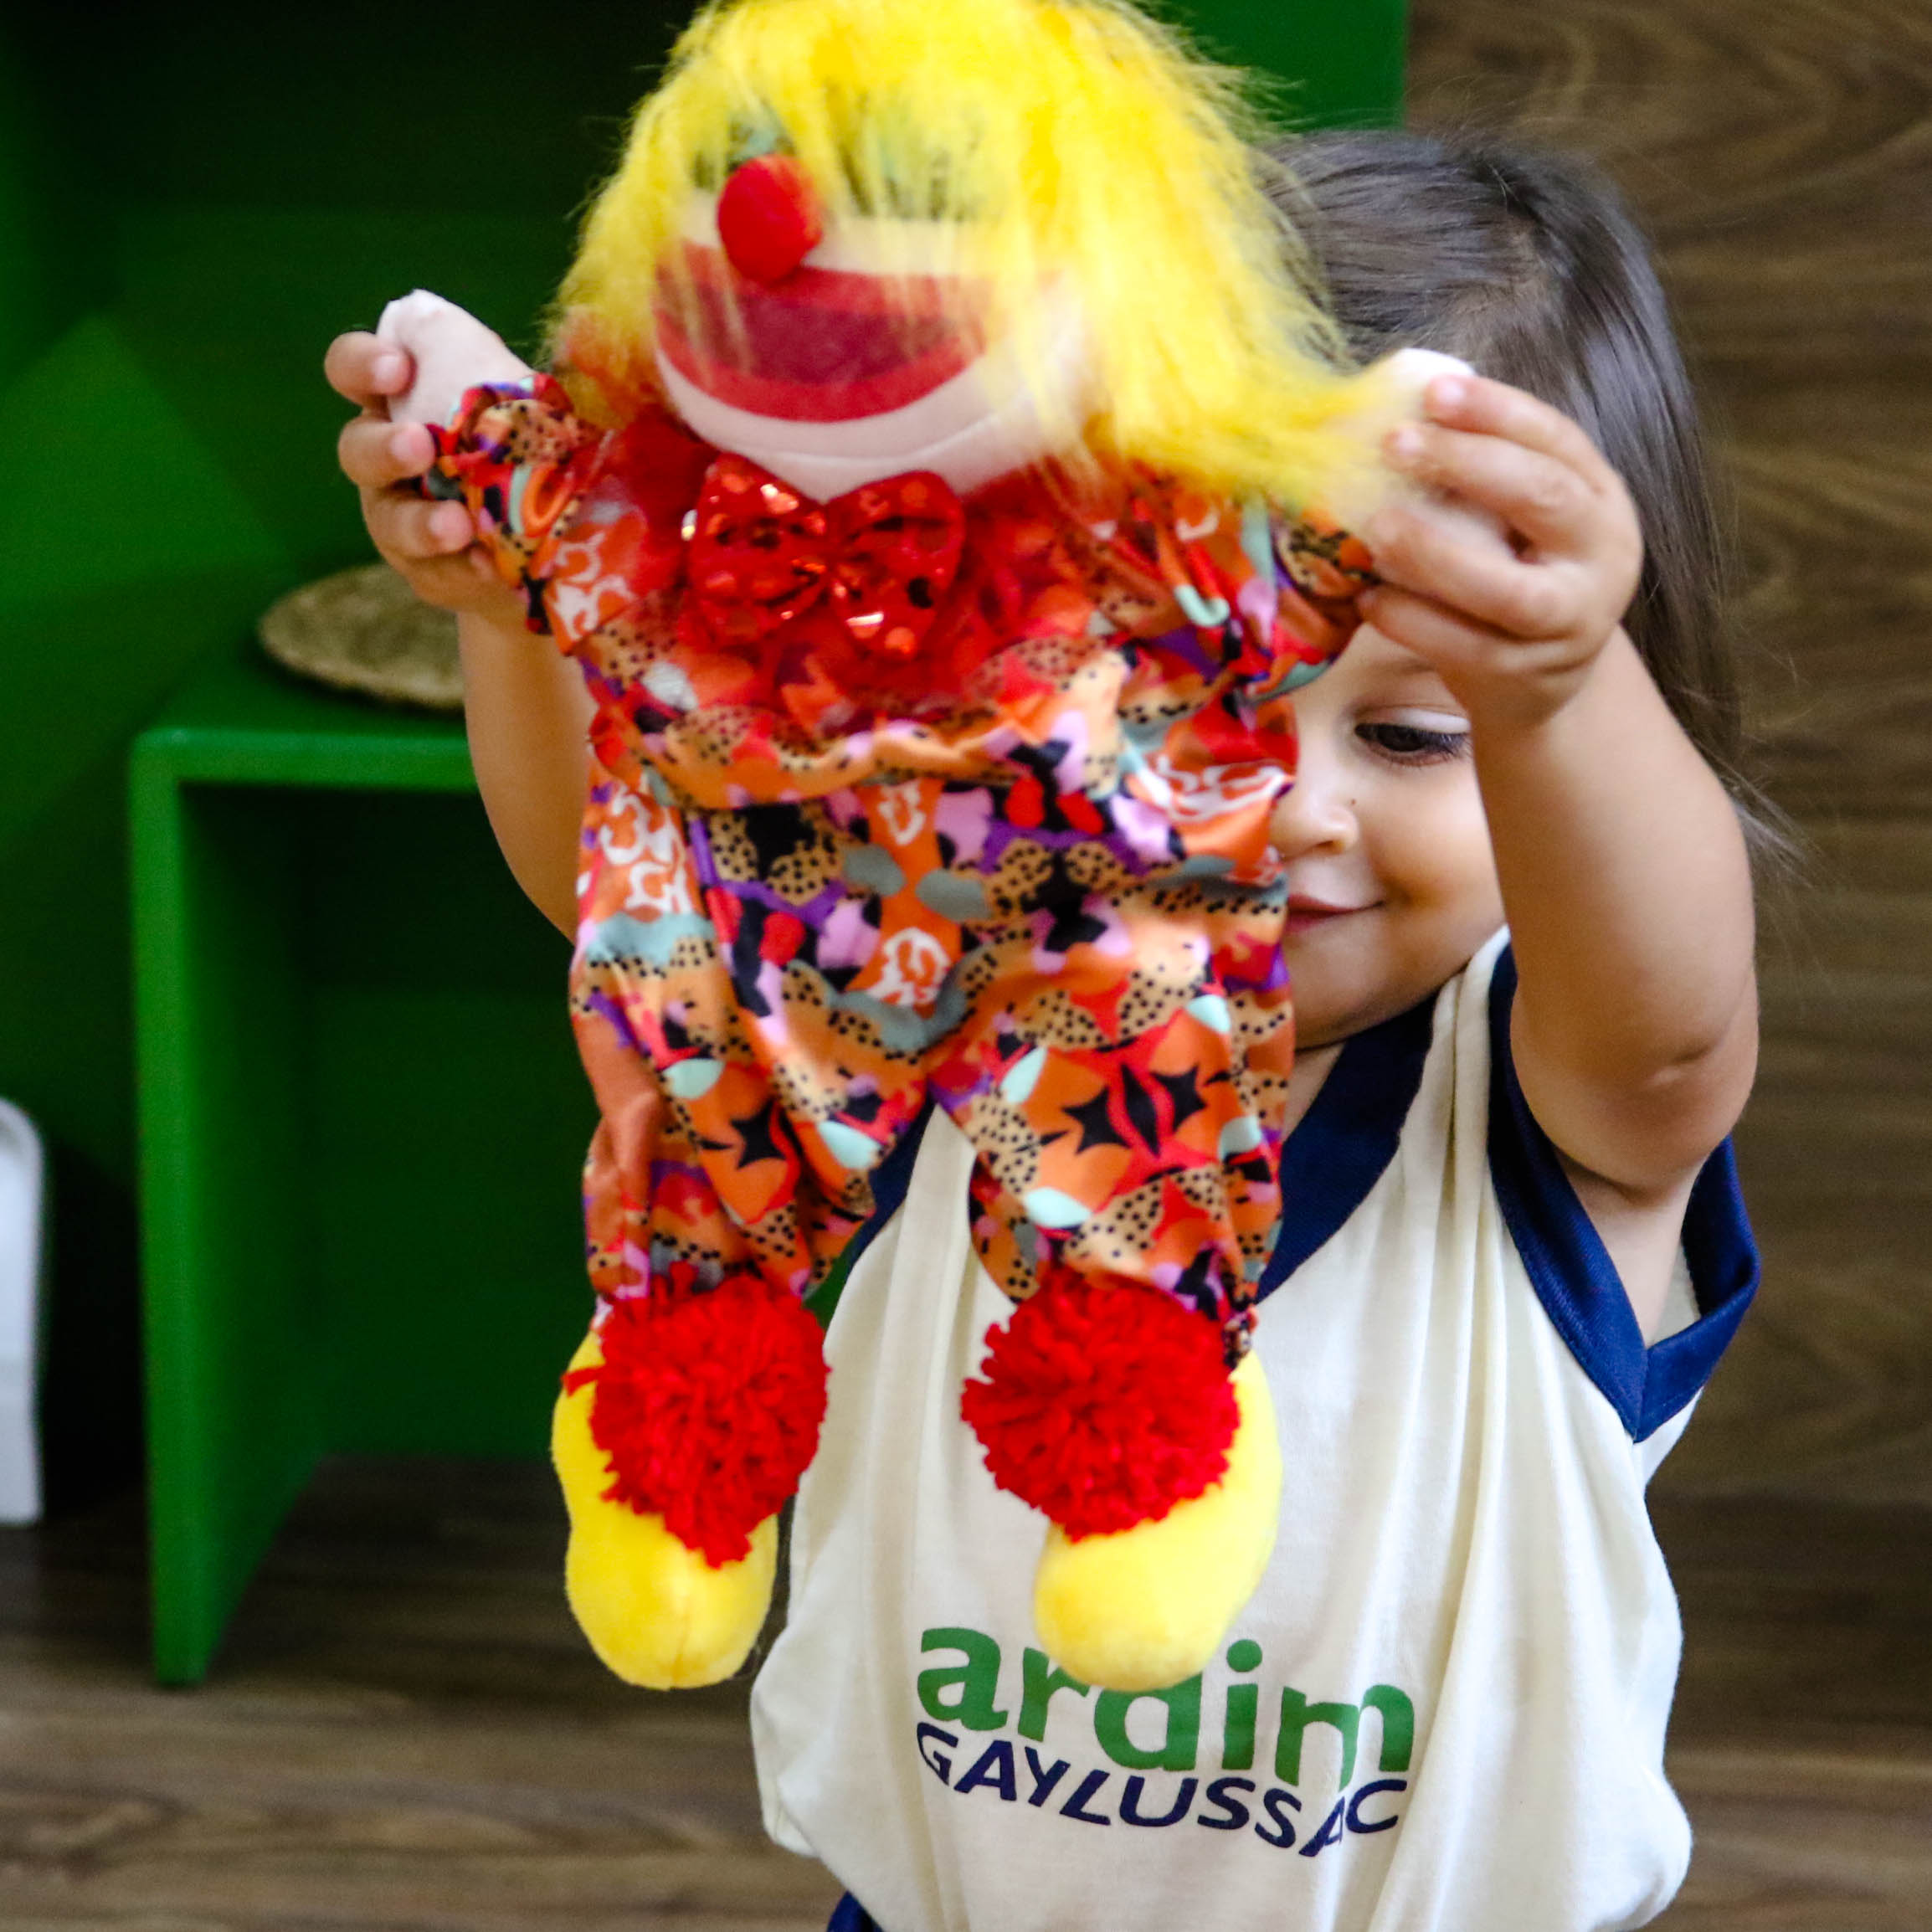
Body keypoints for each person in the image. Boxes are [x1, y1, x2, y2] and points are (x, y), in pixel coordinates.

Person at [326, 125, 1765, 1932]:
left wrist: (1554, 686)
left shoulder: (1560, 1108)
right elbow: (606, 884)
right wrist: (516, 605)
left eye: (1412, 735)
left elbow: (1668, 1042)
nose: (1279, 802)